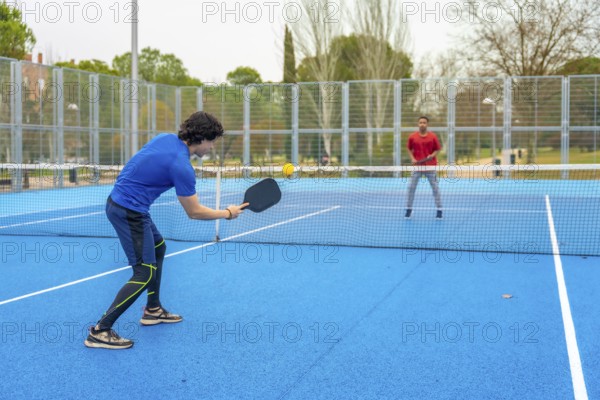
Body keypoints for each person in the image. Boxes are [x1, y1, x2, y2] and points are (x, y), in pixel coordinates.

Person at [84, 111, 248, 350]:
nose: (212, 147)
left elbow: (140, 166)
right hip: (129, 212)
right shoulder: (181, 166)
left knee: (159, 248)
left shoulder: (164, 138)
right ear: (201, 138)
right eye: (212, 141)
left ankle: (153, 310)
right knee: (144, 273)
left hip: (127, 205)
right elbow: (194, 212)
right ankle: (101, 330)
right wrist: (228, 213)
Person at [405, 116, 443, 219]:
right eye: (420, 122)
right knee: (411, 188)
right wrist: (412, 158)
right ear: (418, 124)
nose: (422, 124)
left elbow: (438, 149)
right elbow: (408, 148)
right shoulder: (412, 137)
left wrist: (432, 155)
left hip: (430, 167)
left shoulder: (433, 136)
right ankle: (409, 209)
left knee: (435, 188)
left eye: (424, 122)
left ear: (427, 124)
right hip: (417, 167)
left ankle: (439, 210)